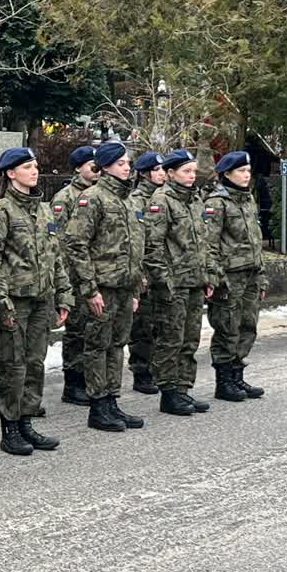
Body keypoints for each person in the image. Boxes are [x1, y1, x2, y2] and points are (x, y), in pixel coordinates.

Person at [0, 147, 72, 456]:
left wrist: (64, 293)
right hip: (13, 300)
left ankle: (27, 421)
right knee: (11, 366)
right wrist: (1, 301)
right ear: (10, 173)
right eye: (27, 167)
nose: (34, 171)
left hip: (41, 299)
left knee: (34, 363)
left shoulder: (43, 210)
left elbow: (55, 256)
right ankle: (10, 428)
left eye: (35, 166)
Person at [63, 141, 146, 434]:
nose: (127, 168)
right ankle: (98, 405)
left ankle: (112, 400)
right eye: (121, 163)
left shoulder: (129, 200)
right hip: (103, 286)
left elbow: (136, 247)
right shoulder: (93, 198)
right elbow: (76, 245)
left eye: (128, 163)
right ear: (106, 166)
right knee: (98, 346)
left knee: (117, 344)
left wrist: (135, 289)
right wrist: (90, 289)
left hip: (124, 286)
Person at [143, 149, 213, 416]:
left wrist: (207, 275)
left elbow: (203, 241)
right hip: (174, 283)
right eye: (186, 171)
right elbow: (152, 246)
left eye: (194, 171)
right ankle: (169, 391)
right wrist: (163, 281)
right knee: (171, 339)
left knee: (190, 339)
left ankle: (183, 388)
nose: (192, 176)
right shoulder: (162, 200)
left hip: (194, 280)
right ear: (171, 173)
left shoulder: (195, 199)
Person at [204, 151, 268, 401]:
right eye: (241, 171)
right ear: (227, 174)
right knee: (226, 327)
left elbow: (256, 240)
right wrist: (215, 276)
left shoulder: (248, 199)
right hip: (229, 275)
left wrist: (262, 275)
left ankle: (237, 375)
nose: (246, 175)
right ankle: (224, 382)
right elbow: (209, 244)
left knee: (247, 325)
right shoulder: (216, 202)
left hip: (251, 273)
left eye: (248, 171)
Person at [51, 146, 100, 406]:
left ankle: (91, 379)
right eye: (92, 165)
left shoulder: (100, 195)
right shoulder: (66, 197)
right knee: (77, 330)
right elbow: (61, 242)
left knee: (95, 329)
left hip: (96, 272)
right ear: (79, 168)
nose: (98, 170)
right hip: (75, 274)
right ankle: (73, 382)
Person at [126, 151, 166, 396]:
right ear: (144, 174)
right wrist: (139, 273)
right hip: (144, 273)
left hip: (162, 271)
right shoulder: (136, 200)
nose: (162, 174)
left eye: (163, 169)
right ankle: (141, 372)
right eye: (157, 170)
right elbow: (136, 240)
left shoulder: (166, 197)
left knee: (161, 325)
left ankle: (158, 369)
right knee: (143, 327)